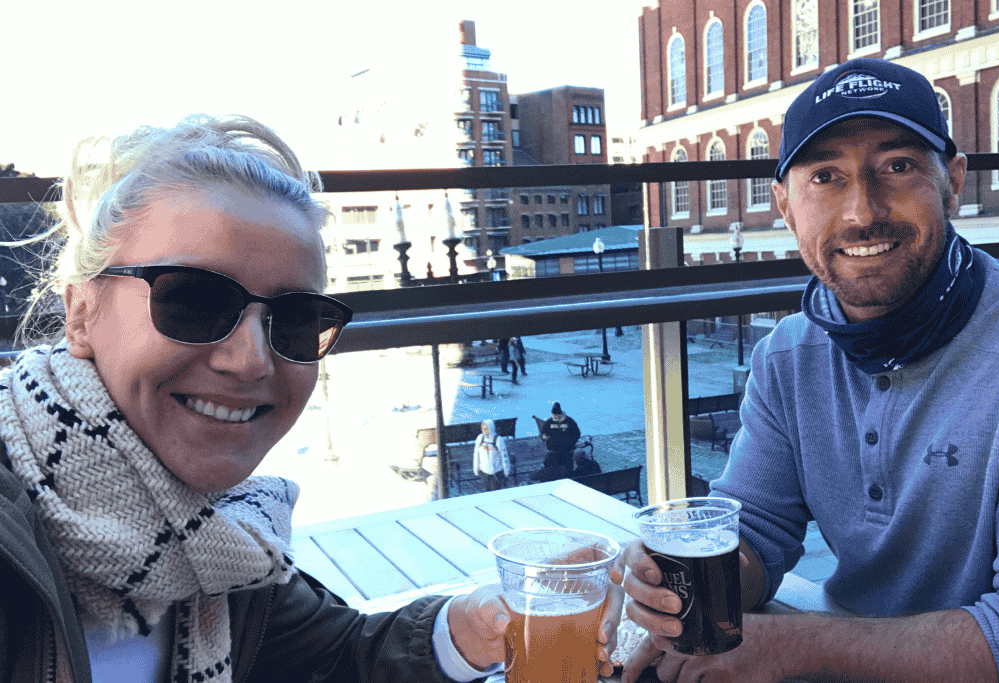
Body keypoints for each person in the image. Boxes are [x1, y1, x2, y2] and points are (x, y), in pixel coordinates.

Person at [0, 114, 624, 683]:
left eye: (295, 320)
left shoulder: (223, 541)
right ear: (81, 313)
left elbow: (332, 655)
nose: (250, 360)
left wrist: (467, 624)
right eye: (192, 299)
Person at [622, 58, 999, 683]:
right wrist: (684, 581)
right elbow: (757, 528)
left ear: (953, 181)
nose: (863, 211)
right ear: (784, 205)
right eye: (826, 176)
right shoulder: (789, 354)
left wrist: (793, 648)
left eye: (898, 166)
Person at [540, 402, 582, 476]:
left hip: (567, 452)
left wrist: (571, 443)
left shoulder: (569, 421)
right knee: (555, 472)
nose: (555, 417)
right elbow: (543, 433)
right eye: (554, 415)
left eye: (556, 415)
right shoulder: (549, 422)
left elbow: (577, 433)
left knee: (568, 472)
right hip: (553, 452)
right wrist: (544, 437)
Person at [472, 419, 510, 491]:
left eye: (486, 428)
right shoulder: (480, 438)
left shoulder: (498, 439)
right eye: (483, 428)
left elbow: (504, 456)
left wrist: (506, 470)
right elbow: (476, 455)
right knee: (487, 492)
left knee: (497, 492)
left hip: (497, 472)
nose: (484, 430)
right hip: (484, 472)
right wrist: (476, 468)